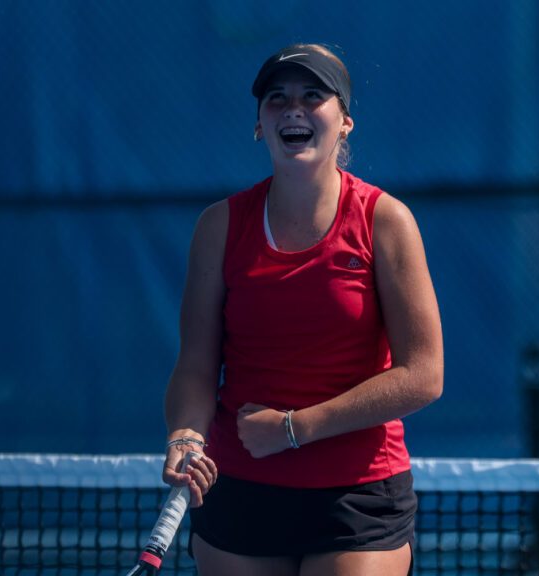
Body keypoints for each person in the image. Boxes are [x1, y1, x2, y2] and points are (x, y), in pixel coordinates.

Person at [162, 43, 443, 576]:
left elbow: (424, 375)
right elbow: (196, 366)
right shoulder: (219, 227)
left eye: (313, 96)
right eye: (277, 98)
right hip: (239, 489)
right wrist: (184, 436)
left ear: (345, 124)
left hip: (358, 498)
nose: (293, 108)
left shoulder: (386, 221)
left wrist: (295, 427)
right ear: (259, 126)